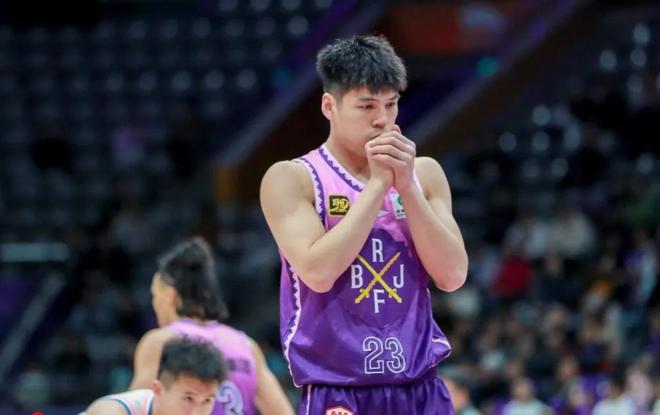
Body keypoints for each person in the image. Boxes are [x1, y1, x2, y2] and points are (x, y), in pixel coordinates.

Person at [260, 34, 468, 414]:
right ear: (329, 106)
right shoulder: (292, 178)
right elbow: (318, 272)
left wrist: (406, 188)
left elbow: (453, 276)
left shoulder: (424, 174)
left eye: (391, 104)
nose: (382, 119)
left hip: (420, 385)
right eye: (367, 106)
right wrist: (377, 187)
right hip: (340, 390)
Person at [128, 237, 293, 415]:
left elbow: (133, 410)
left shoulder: (161, 341)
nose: (154, 304)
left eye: (154, 295)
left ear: (170, 295)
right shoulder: (247, 346)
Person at [84, 337, 226, 415]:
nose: (196, 413)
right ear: (158, 390)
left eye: (207, 400)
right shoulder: (113, 410)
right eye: (188, 398)